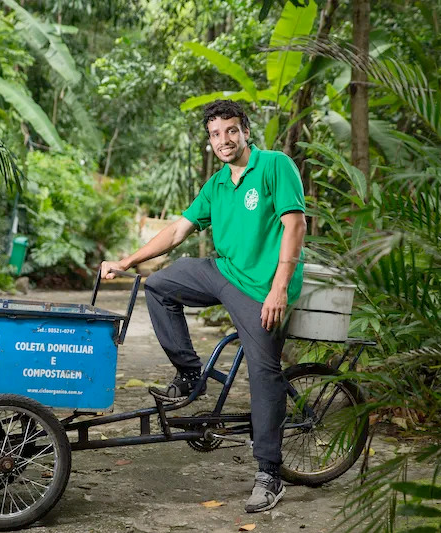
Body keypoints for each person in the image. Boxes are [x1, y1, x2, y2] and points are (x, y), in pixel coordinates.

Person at [99, 100, 307, 513]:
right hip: (224, 272)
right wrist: (127, 261)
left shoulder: (274, 166)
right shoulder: (216, 185)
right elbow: (178, 230)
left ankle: (269, 473)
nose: (223, 140)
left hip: (261, 287)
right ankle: (190, 372)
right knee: (159, 285)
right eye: (215, 134)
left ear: (245, 131)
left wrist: (279, 289)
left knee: (264, 373)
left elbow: (295, 225)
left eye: (231, 131)